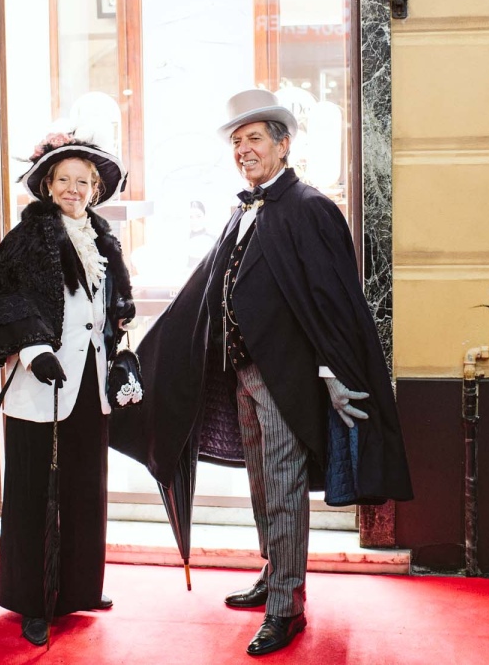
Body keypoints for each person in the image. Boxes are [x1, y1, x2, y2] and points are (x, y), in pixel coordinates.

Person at [114, 88, 413, 656]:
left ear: (283, 144)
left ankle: (286, 607)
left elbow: (331, 301)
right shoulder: (245, 209)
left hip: (286, 379)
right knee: (260, 484)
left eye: (254, 138)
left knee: (282, 487)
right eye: (237, 141)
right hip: (244, 374)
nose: (243, 150)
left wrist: (331, 374)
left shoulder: (309, 207)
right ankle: (274, 572)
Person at [0, 128, 135, 647]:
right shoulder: (26, 238)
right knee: (35, 493)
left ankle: (79, 587)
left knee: (84, 487)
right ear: (47, 184)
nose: (73, 189)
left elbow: (112, 311)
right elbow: (6, 298)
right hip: (43, 384)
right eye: (64, 179)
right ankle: (34, 600)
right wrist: (34, 351)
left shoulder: (104, 239)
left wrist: (122, 356)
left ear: (96, 189)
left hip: (89, 384)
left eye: (83, 181)